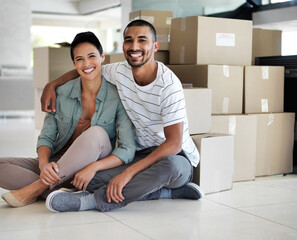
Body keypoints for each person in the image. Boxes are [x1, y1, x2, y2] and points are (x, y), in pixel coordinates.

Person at [41, 19, 203, 213]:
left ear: (155, 46)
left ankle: (91, 201)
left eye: (142, 40)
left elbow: (174, 144)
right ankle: (163, 192)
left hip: (176, 158)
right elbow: (87, 68)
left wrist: (127, 173)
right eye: (129, 40)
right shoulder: (119, 71)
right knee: (86, 178)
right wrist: (52, 85)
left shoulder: (169, 85)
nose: (134, 46)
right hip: (141, 154)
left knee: (170, 167)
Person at [0, 32, 136, 207]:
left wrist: (94, 167)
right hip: (58, 162)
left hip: (91, 165)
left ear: (102, 57)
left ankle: (36, 188)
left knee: (96, 133)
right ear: (74, 64)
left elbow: (127, 148)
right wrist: (43, 165)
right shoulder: (62, 93)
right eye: (79, 59)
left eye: (92, 56)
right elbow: (46, 137)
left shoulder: (117, 96)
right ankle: (61, 188)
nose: (86, 64)